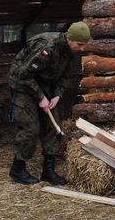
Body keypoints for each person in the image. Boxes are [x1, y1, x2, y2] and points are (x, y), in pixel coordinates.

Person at [6, 21, 91, 185]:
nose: (82, 49)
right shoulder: (47, 46)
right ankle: (17, 169)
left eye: (84, 45)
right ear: (70, 38)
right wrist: (40, 97)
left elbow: (65, 75)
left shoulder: (70, 50)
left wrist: (57, 95)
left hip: (45, 84)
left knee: (53, 126)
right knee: (31, 128)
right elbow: (24, 74)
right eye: (80, 44)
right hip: (23, 84)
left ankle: (48, 171)